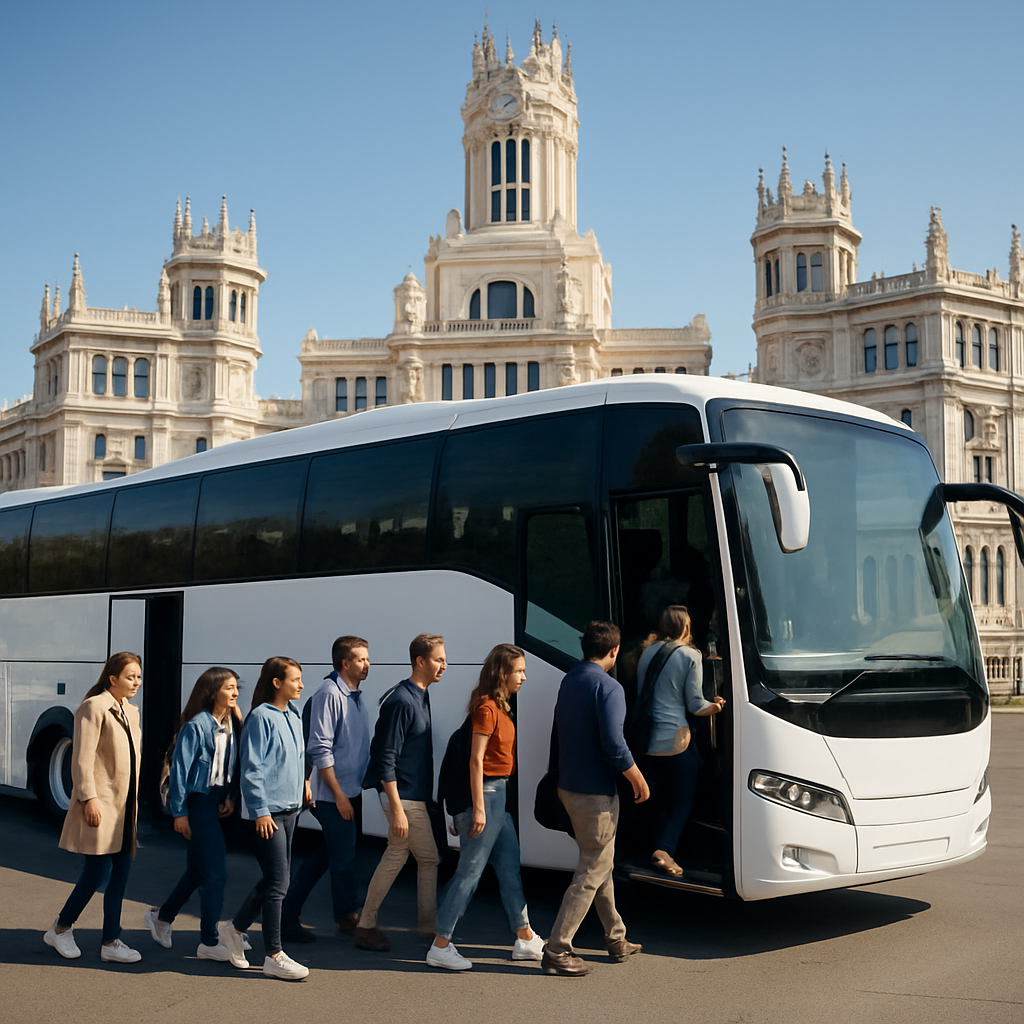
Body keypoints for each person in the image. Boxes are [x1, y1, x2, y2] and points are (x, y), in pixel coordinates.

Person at [426, 644, 545, 970]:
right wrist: (476, 809)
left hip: (498, 797)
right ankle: (440, 944)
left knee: (509, 870)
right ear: (501, 673)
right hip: (487, 796)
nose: (523, 677)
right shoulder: (487, 709)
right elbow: (475, 761)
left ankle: (525, 938)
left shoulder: (501, 708)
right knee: (469, 873)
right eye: (518, 671)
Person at [542, 621, 650, 978]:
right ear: (615, 651)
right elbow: (614, 745)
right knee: (592, 868)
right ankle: (558, 948)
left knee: (601, 861)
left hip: (568, 786)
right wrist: (637, 777)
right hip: (595, 793)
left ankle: (616, 938)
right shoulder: (609, 687)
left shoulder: (570, 679)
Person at [44, 652, 144, 964]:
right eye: (130, 676)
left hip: (125, 808)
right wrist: (88, 799)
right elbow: (82, 759)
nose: (136, 683)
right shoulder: (94, 707)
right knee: (97, 871)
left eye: (139, 677)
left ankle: (111, 941)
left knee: (121, 874)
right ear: (112, 678)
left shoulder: (131, 710)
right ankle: (60, 928)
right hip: (102, 805)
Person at [143, 667, 246, 964]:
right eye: (229, 688)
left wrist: (229, 796)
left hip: (218, 799)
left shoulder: (229, 723)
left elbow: (231, 766)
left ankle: (162, 917)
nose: (235, 693)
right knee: (215, 874)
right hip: (198, 801)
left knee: (198, 871)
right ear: (212, 691)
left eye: (236, 687)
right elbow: (179, 773)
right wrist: (180, 813)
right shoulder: (196, 726)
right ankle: (209, 941)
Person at [220, 657, 311, 981]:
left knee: (276, 879)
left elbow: (296, 756)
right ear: (277, 682)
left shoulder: (292, 713)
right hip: (268, 813)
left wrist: (304, 784)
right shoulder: (261, 717)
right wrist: (259, 810)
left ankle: (234, 929)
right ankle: (273, 954)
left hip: (290, 809)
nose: (301, 685)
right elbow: (252, 768)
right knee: (278, 883)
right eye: (295, 679)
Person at [353, 633, 445, 952]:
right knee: (403, 855)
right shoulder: (401, 701)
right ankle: (369, 925)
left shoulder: (421, 695)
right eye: (439, 660)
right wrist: (397, 809)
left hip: (411, 795)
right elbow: (385, 757)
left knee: (422, 858)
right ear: (420, 661)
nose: (444, 666)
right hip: (401, 796)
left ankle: (425, 926)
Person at [281, 636, 372, 942]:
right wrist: (339, 795)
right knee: (343, 857)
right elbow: (320, 750)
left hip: (350, 790)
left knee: (327, 855)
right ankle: (348, 915)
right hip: (332, 795)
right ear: (344, 663)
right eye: (360, 659)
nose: (367, 664)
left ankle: (287, 915)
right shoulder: (328, 694)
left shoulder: (355, 696)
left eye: (367, 658)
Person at [636, 606, 725, 878]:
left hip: (648, 740)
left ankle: (647, 847)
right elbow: (696, 705)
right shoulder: (690, 654)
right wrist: (717, 706)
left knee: (657, 797)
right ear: (686, 627)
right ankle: (664, 850)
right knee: (684, 800)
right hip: (676, 740)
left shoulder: (646, 652)